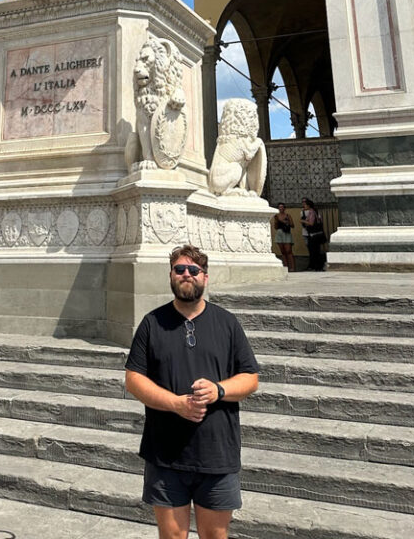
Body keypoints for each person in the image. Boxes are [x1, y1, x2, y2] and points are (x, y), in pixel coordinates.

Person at [125, 245, 259, 539]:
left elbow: (250, 378)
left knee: (215, 536)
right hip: (165, 453)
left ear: (205, 278)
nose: (187, 274)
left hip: (216, 453)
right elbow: (134, 378)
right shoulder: (152, 323)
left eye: (194, 270)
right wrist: (175, 403)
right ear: (171, 276)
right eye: (180, 269)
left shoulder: (227, 323)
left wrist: (218, 389)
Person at [301, 198, 327, 271]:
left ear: (309, 205)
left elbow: (311, 223)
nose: (304, 206)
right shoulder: (316, 212)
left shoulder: (312, 212)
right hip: (318, 234)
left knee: (314, 251)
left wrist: (302, 221)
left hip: (314, 235)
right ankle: (317, 265)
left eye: (305, 204)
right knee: (316, 250)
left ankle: (317, 266)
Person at [272, 203, 295, 272]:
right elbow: (275, 227)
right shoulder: (276, 216)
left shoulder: (288, 216)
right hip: (279, 233)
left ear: (284, 208)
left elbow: (292, 225)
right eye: (279, 207)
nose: (281, 208)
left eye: (282, 207)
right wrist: (277, 221)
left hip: (286, 233)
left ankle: (292, 267)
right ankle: (285, 266)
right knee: (283, 252)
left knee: (289, 251)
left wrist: (286, 222)